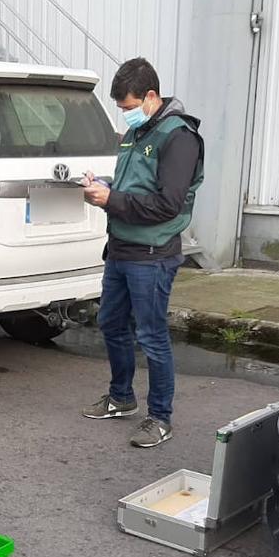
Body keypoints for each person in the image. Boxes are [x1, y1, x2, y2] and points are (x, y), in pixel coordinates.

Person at [81, 57, 204, 448]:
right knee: (111, 323)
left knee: (151, 336)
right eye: (122, 109)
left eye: (129, 107)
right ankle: (121, 397)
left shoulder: (179, 137)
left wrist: (111, 199)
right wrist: (104, 187)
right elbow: (134, 184)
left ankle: (160, 417)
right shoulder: (138, 133)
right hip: (120, 247)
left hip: (152, 254)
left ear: (151, 97)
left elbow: (167, 204)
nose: (125, 115)